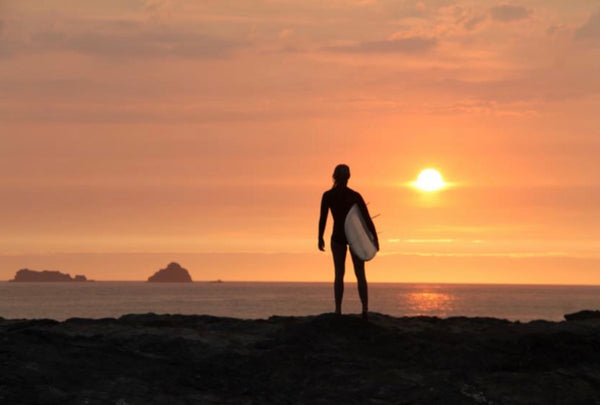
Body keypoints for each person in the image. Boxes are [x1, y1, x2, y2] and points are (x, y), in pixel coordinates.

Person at [318, 164, 379, 318]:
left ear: (334, 176)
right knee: (360, 274)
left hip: (337, 236)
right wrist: (374, 239)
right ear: (348, 177)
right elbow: (366, 218)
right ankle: (365, 309)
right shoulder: (354, 195)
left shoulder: (328, 195)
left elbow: (323, 219)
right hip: (355, 238)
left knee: (339, 274)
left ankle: (338, 310)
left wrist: (320, 237)